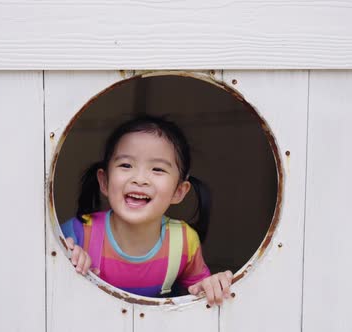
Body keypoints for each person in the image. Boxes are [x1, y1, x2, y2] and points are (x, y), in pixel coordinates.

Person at [60, 115, 233, 306]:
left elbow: (198, 295)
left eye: (157, 169)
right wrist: (67, 260)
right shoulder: (79, 232)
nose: (140, 179)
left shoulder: (184, 241)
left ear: (178, 191)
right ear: (104, 181)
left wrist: (211, 286)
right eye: (126, 165)